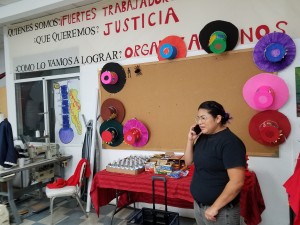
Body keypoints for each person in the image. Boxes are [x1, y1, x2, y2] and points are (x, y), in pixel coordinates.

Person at [185, 101, 246, 225]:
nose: (199, 122)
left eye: (203, 118)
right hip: (199, 206)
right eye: (198, 118)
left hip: (221, 211)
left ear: (218, 118)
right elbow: (188, 161)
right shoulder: (203, 137)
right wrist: (190, 140)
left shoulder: (230, 143)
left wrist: (214, 208)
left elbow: (237, 182)